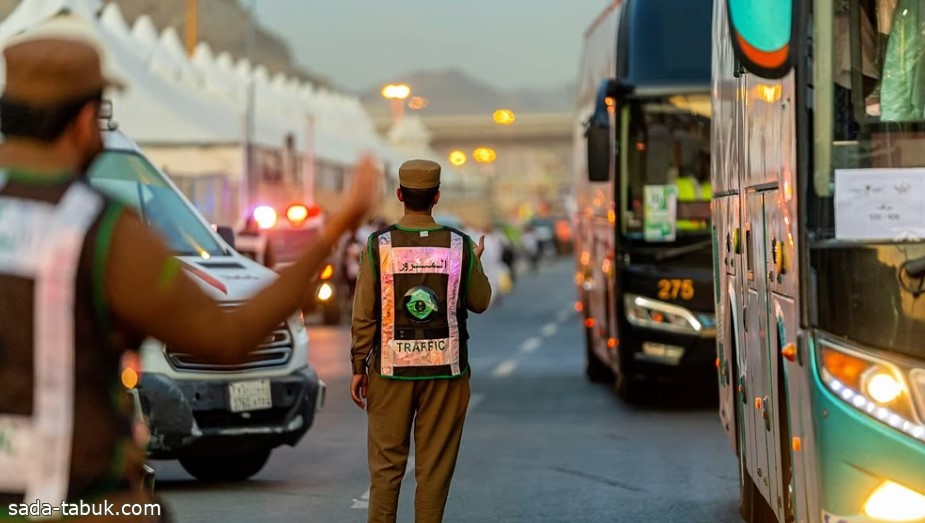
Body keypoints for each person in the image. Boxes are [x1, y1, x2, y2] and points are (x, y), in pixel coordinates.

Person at [0, 17, 379, 522]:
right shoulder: (100, 231)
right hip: (78, 498)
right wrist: (333, 232)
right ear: (85, 121)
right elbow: (228, 336)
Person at [349, 159, 492, 523]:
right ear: (437, 197)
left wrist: (357, 367)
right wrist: (475, 262)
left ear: (400, 195)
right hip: (446, 375)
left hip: (389, 371)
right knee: (434, 473)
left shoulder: (377, 245)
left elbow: (364, 314)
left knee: (385, 471)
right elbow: (480, 302)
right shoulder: (459, 246)